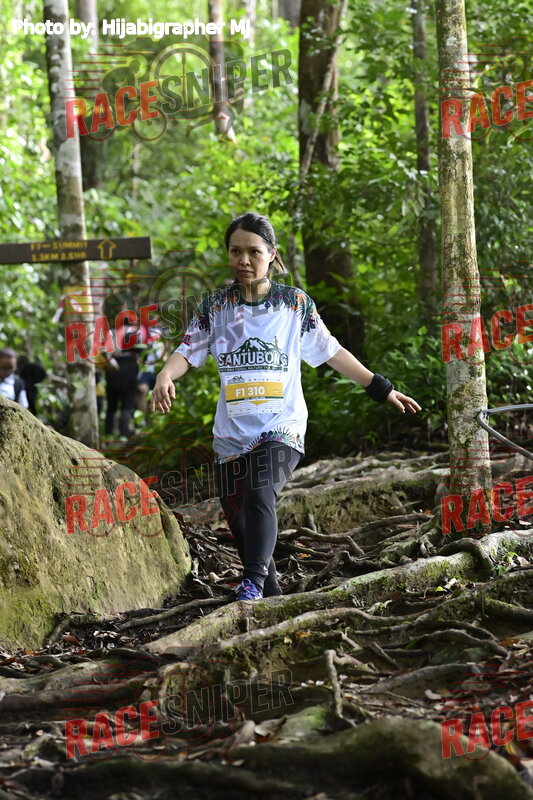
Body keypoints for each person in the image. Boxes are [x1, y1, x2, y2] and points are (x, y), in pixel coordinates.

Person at [151, 212, 421, 601]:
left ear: (272, 254)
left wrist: (380, 388)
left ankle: (251, 585)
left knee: (260, 493)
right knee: (239, 518)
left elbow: (331, 351)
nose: (244, 260)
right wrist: (165, 375)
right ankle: (272, 598)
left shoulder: (294, 304)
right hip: (231, 435)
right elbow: (188, 350)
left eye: (254, 252)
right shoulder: (215, 307)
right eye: (235, 251)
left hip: (282, 427)